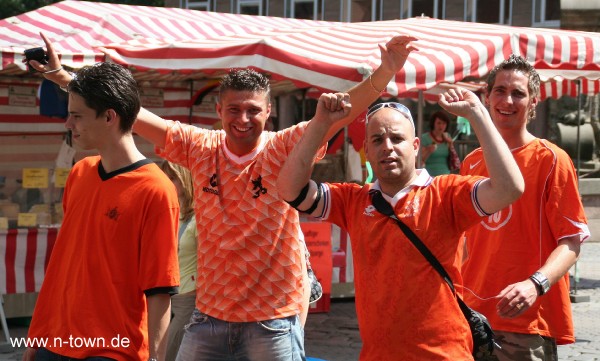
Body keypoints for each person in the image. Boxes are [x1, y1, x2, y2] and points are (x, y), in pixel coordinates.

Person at [36, 31, 419, 360]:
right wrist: (68, 81)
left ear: (269, 112)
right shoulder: (200, 147)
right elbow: (131, 113)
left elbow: (343, 111)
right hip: (210, 318)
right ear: (218, 109)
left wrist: (387, 70)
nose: (243, 119)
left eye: (253, 110)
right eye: (233, 109)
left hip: (273, 321)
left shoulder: (283, 146)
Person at [276, 86, 525, 360]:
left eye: (397, 138)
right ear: (367, 150)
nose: (388, 147)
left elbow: (509, 188)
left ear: (415, 146)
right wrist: (321, 123)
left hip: (445, 354)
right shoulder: (353, 200)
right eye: (378, 140)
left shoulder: (446, 194)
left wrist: (478, 114)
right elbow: (289, 188)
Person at [23, 35, 180, 361]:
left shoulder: (156, 190)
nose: (68, 124)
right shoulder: (80, 173)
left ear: (109, 117)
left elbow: (160, 291)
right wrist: (35, 338)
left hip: (112, 350)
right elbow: (62, 265)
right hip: (53, 343)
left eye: (77, 116)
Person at [459, 54, 590, 360]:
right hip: (471, 317)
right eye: (500, 90)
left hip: (527, 322)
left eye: (518, 93)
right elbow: (464, 240)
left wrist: (535, 284)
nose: (507, 100)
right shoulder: (472, 161)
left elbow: (571, 242)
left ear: (533, 103)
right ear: (487, 97)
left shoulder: (551, 159)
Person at [159, 161, 198, 361]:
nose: (167, 182)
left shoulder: (197, 219)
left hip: (186, 300)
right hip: (163, 298)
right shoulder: (167, 213)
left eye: (172, 177)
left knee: (168, 354)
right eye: (164, 177)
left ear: (184, 180)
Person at [419, 110, 454, 175]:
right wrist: (428, 151)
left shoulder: (447, 137)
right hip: (429, 175)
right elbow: (419, 160)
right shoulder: (424, 138)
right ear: (433, 123)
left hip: (445, 175)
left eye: (444, 123)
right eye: (439, 123)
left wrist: (451, 144)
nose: (441, 126)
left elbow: (452, 157)